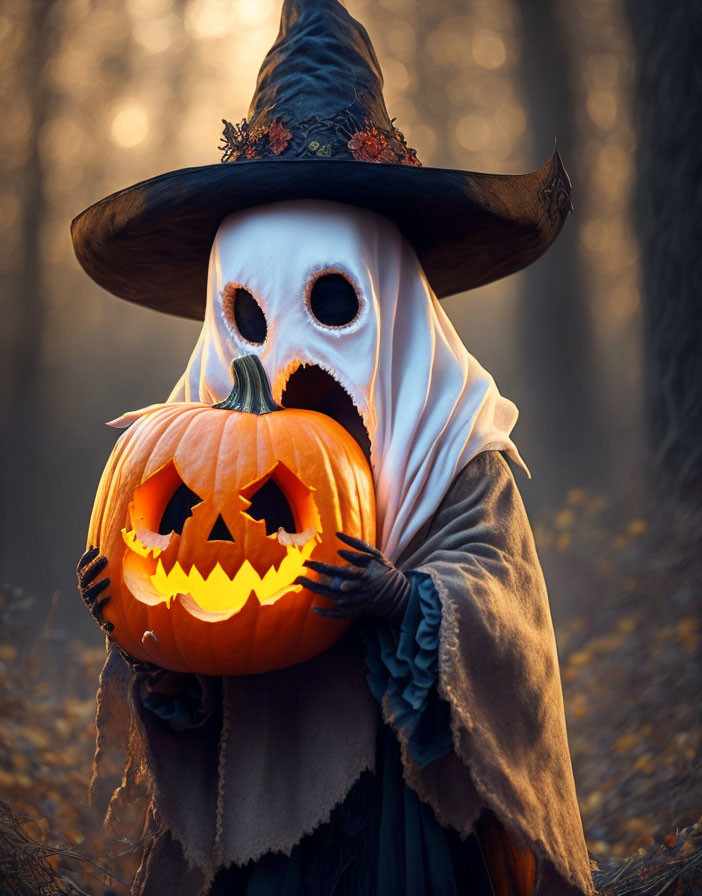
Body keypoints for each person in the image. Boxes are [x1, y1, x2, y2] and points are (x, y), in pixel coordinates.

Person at [73, 2, 590, 894]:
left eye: (332, 304)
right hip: (259, 813)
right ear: (220, 313)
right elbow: (199, 611)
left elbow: (508, 626)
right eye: (250, 318)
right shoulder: (183, 448)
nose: (289, 353)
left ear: (387, 299)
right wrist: (146, 634)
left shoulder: (453, 450)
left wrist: (408, 601)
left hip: (408, 821)